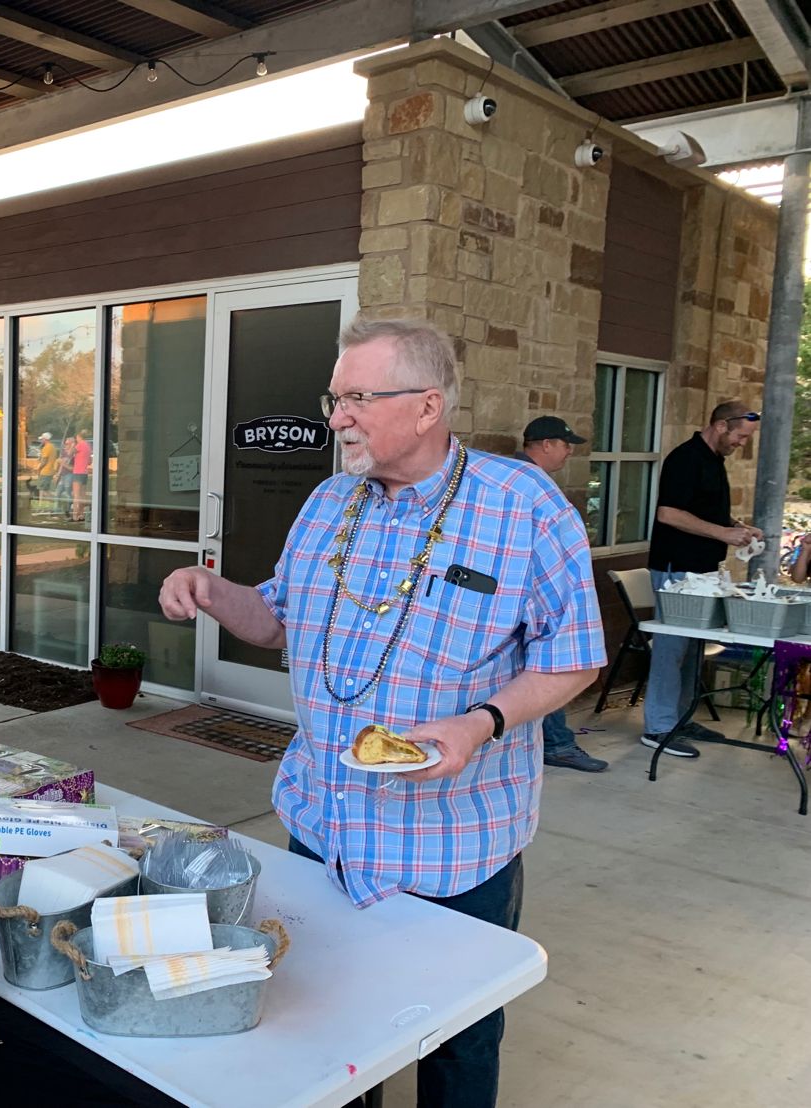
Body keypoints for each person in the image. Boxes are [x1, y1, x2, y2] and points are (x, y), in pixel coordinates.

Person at [160, 318, 603, 1108]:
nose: (337, 418)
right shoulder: (331, 502)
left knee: (459, 1043)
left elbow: (573, 656)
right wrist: (210, 590)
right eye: (335, 398)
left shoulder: (523, 506)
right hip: (324, 827)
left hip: (454, 848)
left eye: (358, 397)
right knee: (339, 1031)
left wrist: (483, 723)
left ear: (428, 406)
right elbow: (275, 619)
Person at [642, 401, 763, 757]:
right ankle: (658, 728)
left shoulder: (715, 461)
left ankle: (680, 717)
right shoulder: (685, 458)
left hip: (703, 571)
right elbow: (668, 513)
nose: (742, 443)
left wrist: (739, 528)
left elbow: (707, 511)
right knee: (671, 649)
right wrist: (722, 534)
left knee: (693, 649)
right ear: (722, 425)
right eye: (741, 435)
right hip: (675, 569)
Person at [514, 416, 608, 773]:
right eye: (566, 444)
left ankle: (554, 740)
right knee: (552, 662)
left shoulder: (519, 477)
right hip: (529, 590)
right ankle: (557, 742)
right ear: (546, 444)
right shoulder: (529, 481)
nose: (570, 451)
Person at [71, 428, 92, 522]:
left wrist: (72, 445)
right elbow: (89, 461)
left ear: (79, 437)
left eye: (76, 438)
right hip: (84, 472)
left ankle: (75, 515)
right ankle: (81, 514)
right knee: (83, 495)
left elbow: (70, 453)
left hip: (77, 472)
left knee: (76, 495)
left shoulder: (80, 444)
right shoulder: (88, 445)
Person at [33, 431, 58, 510]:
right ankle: (41, 505)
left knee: (44, 491)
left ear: (45, 439)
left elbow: (44, 461)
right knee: (42, 489)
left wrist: (38, 468)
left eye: (42, 439)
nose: (41, 441)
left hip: (45, 471)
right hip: (49, 471)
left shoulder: (47, 447)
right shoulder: (53, 447)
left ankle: (54, 503)